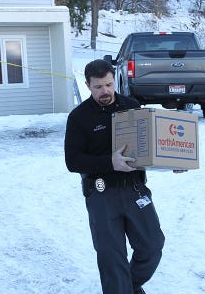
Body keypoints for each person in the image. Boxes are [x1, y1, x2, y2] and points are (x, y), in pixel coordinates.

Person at [65, 59, 171, 294]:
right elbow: (72, 162)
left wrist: (171, 162)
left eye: (109, 85)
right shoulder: (79, 118)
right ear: (87, 85)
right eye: (98, 87)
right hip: (101, 189)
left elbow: (150, 145)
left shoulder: (132, 106)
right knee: (112, 257)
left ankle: (129, 287)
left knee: (152, 245)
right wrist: (108, 162)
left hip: (135, 188)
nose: (105, 91)